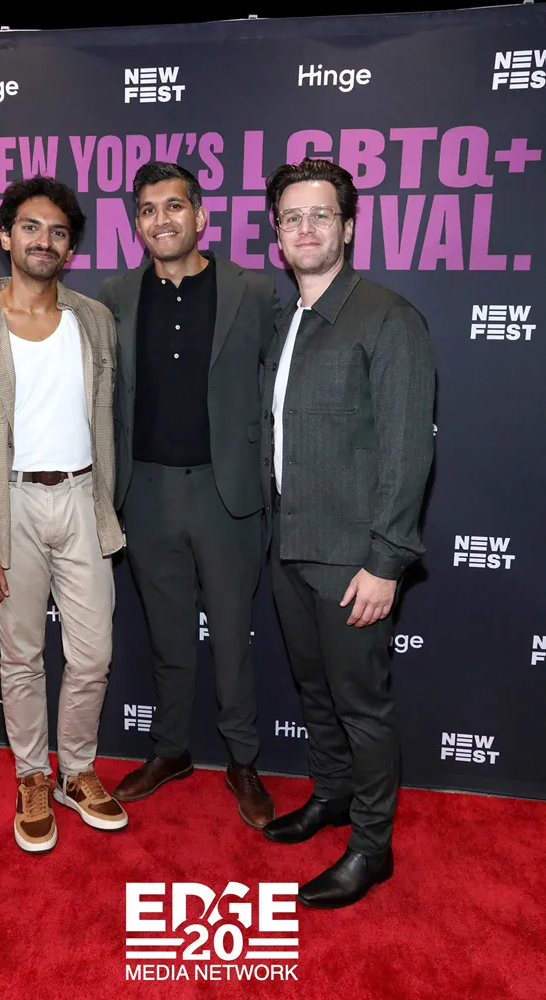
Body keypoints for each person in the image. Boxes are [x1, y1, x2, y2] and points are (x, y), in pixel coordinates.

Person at [0, 176, 128, 853]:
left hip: (83, 499)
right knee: (21, 656)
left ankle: (77, 771)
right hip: (7, 503)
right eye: (31, 228)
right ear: (4, 236)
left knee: (93, 654)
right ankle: (32, 776)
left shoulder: (94, 321)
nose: (45, 241)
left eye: (59, 232)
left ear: (71, 249)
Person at [260, 158, 435, 907]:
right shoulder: (285, 321)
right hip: (288, 547)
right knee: (314, 690)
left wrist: (386, 561)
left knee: (362, 705)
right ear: (277, 234)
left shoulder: (388, 319)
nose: (306, 228)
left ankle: (372, 845)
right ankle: (331, 795)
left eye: (321, 215)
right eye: (292, 217)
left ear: (349, 227)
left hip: (352, 560)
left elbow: (407, 449)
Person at [100, 162, 278, 828]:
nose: (162, 219)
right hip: (145, 493)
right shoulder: (115, 295)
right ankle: (170, 750)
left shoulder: (254, 290)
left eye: (174, 206)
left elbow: (283, 384)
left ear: (201, 216)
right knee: (167, 636)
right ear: (137, 224)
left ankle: (243, 761)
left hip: (226, 493)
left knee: (232, 638)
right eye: (148, 210)